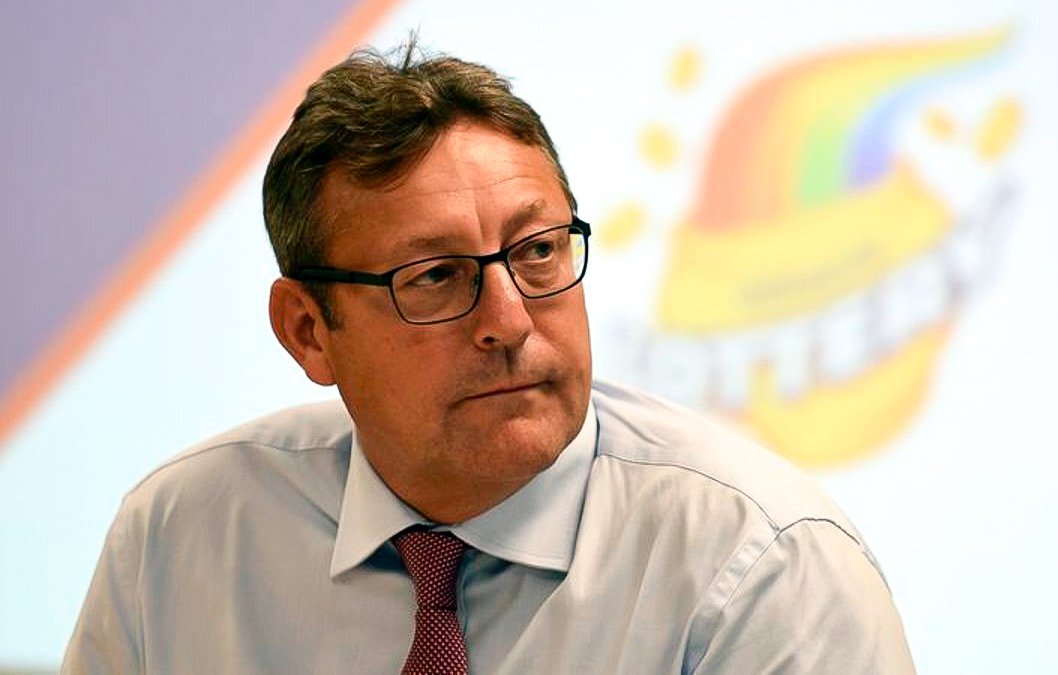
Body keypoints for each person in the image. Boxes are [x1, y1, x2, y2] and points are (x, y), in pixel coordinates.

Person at [63, 43, 915, 674]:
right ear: (309, 331)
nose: (508, 320)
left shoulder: (761, 567)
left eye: (538, 251)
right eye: (435, 277)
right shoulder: (181, 540)